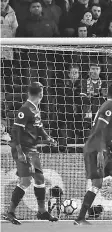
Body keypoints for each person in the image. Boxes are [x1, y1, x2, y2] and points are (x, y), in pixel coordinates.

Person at [74, 84, 112, 225]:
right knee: (97, 183)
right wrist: (100, 151)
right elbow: (98, 130)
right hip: (96, 149)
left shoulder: (110, 105)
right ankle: (80, 218)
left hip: (104, 149)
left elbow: (104, 133)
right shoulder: (109, 106)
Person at [5, 82, 58, 225]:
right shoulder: (25, 109)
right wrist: (20, 152)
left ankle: (41, 211)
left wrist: (48, 138)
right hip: (23, 149)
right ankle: (10, 212)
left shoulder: (34, 108)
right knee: (26, 181)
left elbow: (39, 127)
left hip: (32, 150)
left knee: (39, 179)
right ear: (41, 94)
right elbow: (15, 131)